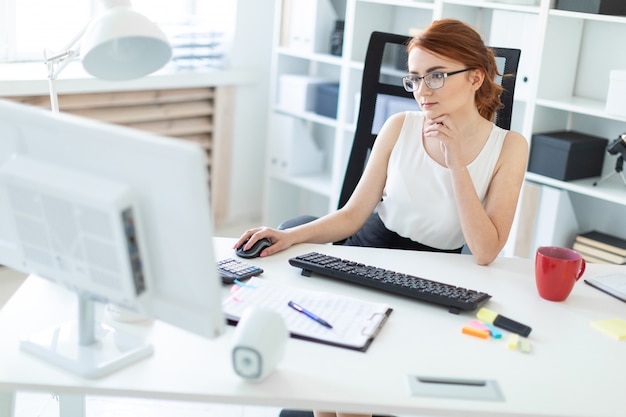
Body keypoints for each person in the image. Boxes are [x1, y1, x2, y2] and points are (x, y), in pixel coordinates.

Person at [237, 19, 529, 417]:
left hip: (432, 275)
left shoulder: (509, 147)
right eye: (415, 79)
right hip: (368, 253)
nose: (423, 91)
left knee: (354, 386)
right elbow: (354, 214)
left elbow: (484, 250)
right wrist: (289, 236)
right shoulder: (400, 126)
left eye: (437, 76)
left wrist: (456, 162)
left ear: (476, 77)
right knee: (336, 369)